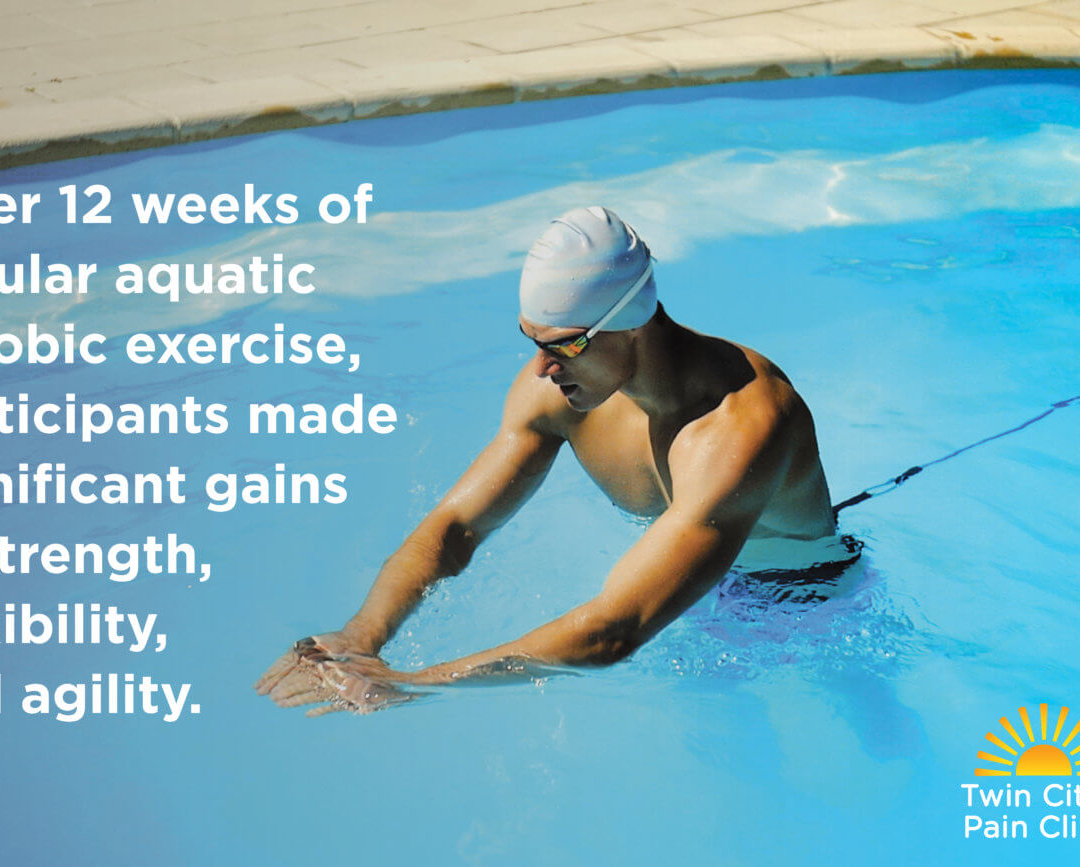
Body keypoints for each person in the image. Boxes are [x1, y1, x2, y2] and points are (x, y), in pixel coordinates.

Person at [255, 206, 839, 715]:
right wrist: (361, 638)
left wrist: (412, 684)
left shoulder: (739, 428)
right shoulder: (562, 391)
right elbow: (455, 528)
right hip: (689, 602)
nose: (540, 368)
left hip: (812, 605)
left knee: (871, 739)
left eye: (561, 345)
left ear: (630, 323)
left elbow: (616, 631)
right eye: (532, 341)